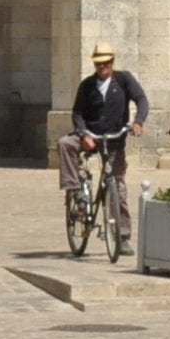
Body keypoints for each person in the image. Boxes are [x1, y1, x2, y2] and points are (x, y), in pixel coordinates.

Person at [66, 44, 149, 234]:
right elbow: (77, 113)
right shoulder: (87, 85)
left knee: (118, 186)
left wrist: (138, 121)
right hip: (90, 136)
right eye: (98, 64)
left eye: (105, 63)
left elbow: (141, 99)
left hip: (113, 139)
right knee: (65, 144)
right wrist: (83, 133)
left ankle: (122, 235)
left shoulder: (123, 80)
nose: (102, 67)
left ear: (112, 62)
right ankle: (76, 188)